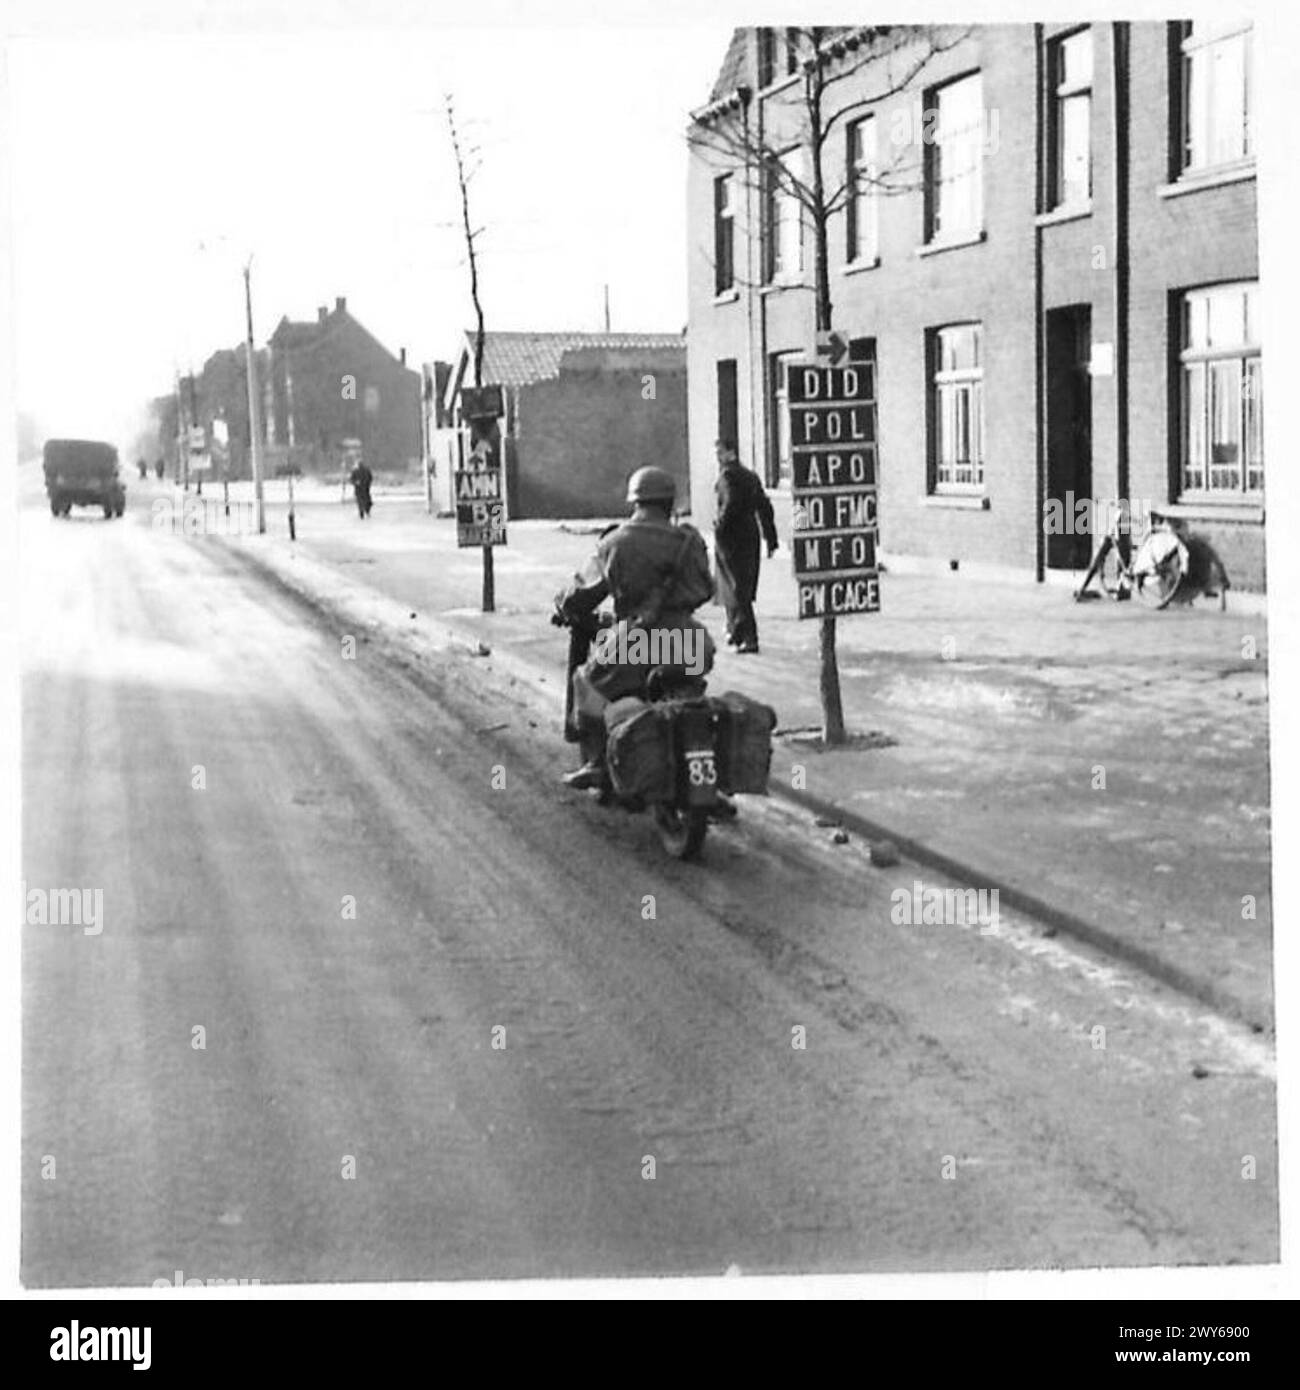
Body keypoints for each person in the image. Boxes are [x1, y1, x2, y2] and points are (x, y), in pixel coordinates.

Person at [554, 465, 714, 790]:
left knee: (587, 680)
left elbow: (585, 593)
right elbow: (705, 589)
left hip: (637, 639)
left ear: (635, 502)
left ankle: (598, 762)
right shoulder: (689, 541)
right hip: (692, 640)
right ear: (670, 503)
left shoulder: (616, 542)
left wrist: (565, 605)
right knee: (692, 695)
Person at [713, 438, 777, 654]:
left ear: (730, 452)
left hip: (731, 537)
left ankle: (748, 636)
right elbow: (764, 506)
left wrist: (719, 525)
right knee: (742, 585)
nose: (718, 457)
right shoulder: (751, 476)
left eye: (720, 452)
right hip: (750, 535)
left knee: (734, 586)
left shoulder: (727, 476)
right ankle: (736, 631)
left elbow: (729, 503)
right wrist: (771, 537)